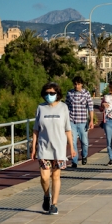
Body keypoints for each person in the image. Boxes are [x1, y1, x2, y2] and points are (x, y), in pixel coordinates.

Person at [31, 82, 76, 215]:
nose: (49, 96)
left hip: (59, 148)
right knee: (44, 177)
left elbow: (68, 129)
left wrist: (72, 148)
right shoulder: (41, 108)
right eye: (46, 93)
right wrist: (33, 148)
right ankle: (46, 195)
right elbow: (35, 129)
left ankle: (54, 204)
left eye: (52, 93)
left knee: (56, 176)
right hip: (44, 148)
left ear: (57, 94)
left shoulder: (63, 107)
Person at [65, 76, 94, 168]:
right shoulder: (69, 93)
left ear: (81, 84)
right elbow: (66, 107)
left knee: (84, 142)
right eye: (75, 84)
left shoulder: (86, 93)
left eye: (78, 84)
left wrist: (91, 120)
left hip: (82, 121)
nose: (76, 86)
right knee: (73, 142)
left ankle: (84, 156)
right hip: (72, 121)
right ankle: (74, 161)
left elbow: (90, 107)